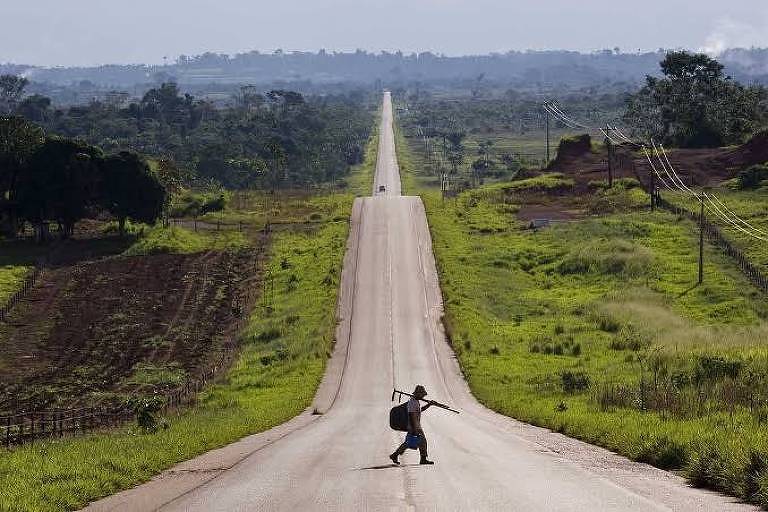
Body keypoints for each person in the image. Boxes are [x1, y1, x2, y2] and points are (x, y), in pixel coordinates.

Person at [390, 385, 434, 465]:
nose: (423, 396)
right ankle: (423, 459)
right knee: (417, 442)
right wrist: (414, 429)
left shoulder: (416, 401)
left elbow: (420, 411)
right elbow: (411, 416)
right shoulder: (412, 402)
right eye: (422, 395)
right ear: (418, 394)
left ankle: (395, 455)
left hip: (416, 425)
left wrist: (429, 404)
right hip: (414, 426)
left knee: (410, 443)